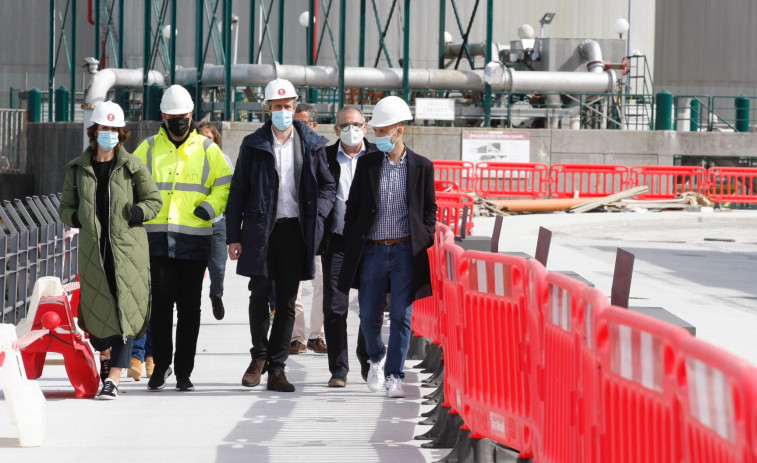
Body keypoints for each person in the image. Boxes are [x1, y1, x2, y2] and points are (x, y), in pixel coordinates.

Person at [226, 78, 336, 392]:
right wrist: (234, 236)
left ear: (294, 106)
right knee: (259, 295)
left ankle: (277, 367)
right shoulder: (254, 144)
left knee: (288, 301)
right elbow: (239, 193)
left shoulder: (312, 144)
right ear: (269, 109)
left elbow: (328, 185)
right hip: (262, 230)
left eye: (288, 106)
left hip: (295, 231)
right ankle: (258, 358)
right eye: (278, 107)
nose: (283, 112)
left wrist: (320, 212)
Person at [59, 101, 162, 399]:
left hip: (128, 251)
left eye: (115, 129)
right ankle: (105, 357)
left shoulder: (132, 166)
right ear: (94, 131)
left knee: (125, 315)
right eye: (105, 129)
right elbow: (65, 207)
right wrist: (76, 217)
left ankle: (113, 380)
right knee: (98, 321)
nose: (110, 134)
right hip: (94, 252)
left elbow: (154, 200)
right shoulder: (78, 169)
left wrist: (137, 213)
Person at [133, 85, 233, 392]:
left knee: (190, 309)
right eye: (173, 116)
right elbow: (130, 183)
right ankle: (160, 366)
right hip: (157, 242)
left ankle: (184, 371)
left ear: (191, 115)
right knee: (160, 308)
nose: (179, 121)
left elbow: (225, 184)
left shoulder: (208, 149)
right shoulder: (147, 149)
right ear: (163, 116)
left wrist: (209, 207)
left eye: (184, 116)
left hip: (194, 240)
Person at [338, 96, 437, 398]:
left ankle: (395, 375)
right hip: (374, 252)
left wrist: (425, 235)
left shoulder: (422, 167)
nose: (378, 137)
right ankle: (376, 359)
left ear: (400, 130)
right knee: (368, 315)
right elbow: (353, 207)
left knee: (401, 315)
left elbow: (430, 210)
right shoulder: (367, 165)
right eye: (376, 131)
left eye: (384, 131)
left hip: (406, 251)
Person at [321, 106, 378, 387]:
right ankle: (339, 370)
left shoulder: (379, 157)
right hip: (338, 243)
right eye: (345, 125)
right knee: (335, 308)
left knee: (370, 307)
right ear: (336, 129)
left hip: (370, 244)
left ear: (365, 127)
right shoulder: (323, 157)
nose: (351, 130)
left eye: (356, 124)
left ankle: (365, 356)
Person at [290, 103, 327, 355]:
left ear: (313, 125)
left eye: (302, 123)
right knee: (292, 287)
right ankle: (297, 338)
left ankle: (317, 336)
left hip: (317, 228)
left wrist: (320, 214)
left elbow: (329, 186)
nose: (298, 127)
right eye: (295, 122)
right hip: (292, 228)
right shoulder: (284, 149)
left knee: (321, 284)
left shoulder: (322, 150)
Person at [197, 121, 234, 321]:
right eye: (202, 137)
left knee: (218, 266)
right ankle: (191, 302)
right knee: (193, 268)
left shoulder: (223, 159)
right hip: (193, 223)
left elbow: (230, 191)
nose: (205, 141)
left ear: (216, 140)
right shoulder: (188, 159)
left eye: (209, 138)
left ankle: (216, 296)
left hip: (217, 222)